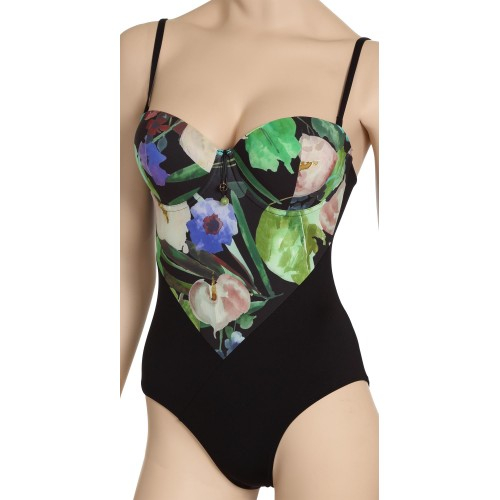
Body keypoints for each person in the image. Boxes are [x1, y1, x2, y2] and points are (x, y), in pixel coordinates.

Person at [121, 1, 379, 498]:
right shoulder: (144, 51)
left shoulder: (368, 70)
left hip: (319, 407)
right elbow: (119, 260)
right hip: (181, 412)